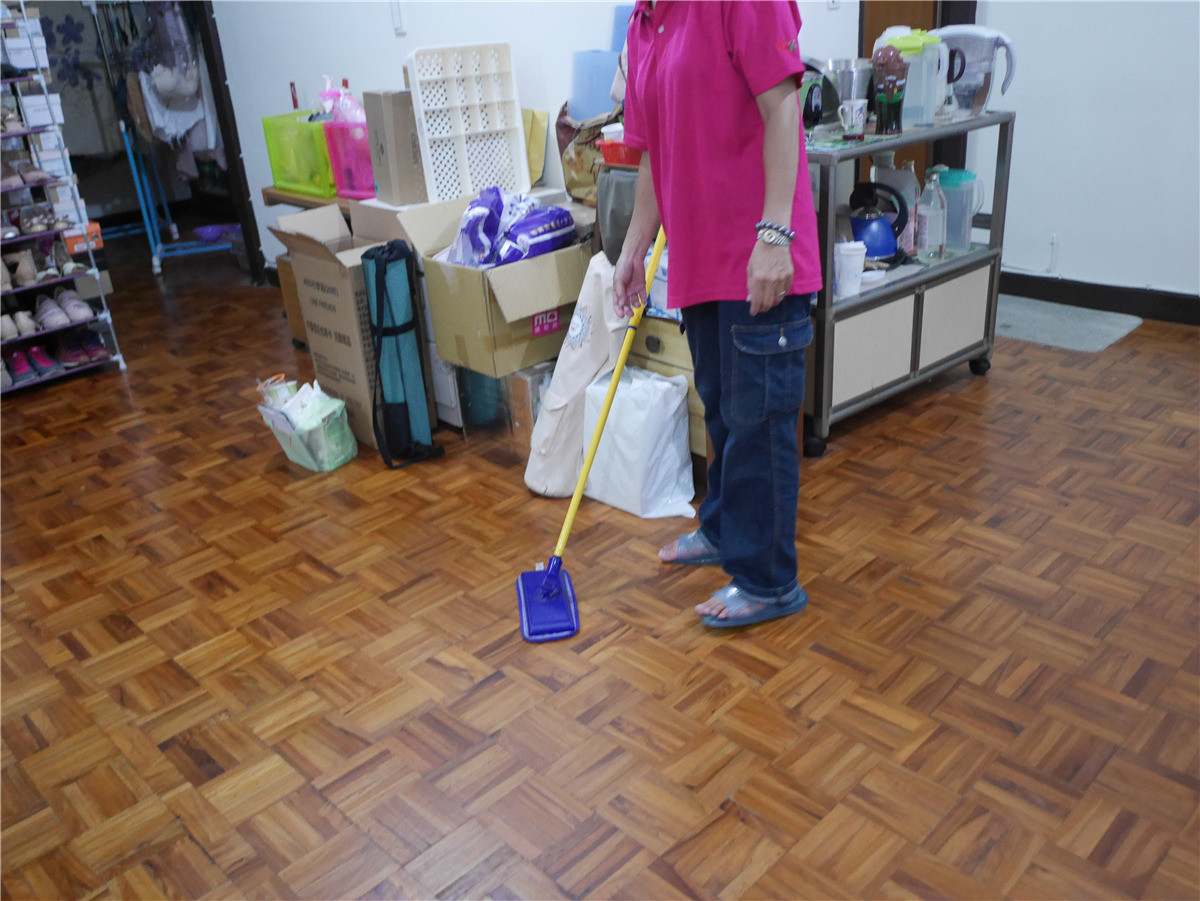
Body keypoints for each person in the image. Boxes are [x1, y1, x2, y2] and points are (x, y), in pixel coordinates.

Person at [614, 0, 822, 627]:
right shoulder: (644, 21)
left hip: (761, 255)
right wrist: (633, 247)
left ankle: (768, 581)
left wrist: (775, 236)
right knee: (724, 413)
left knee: (759, 422)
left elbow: (782, 106)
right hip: (700, 261)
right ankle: (725, 529)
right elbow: (650, 150)